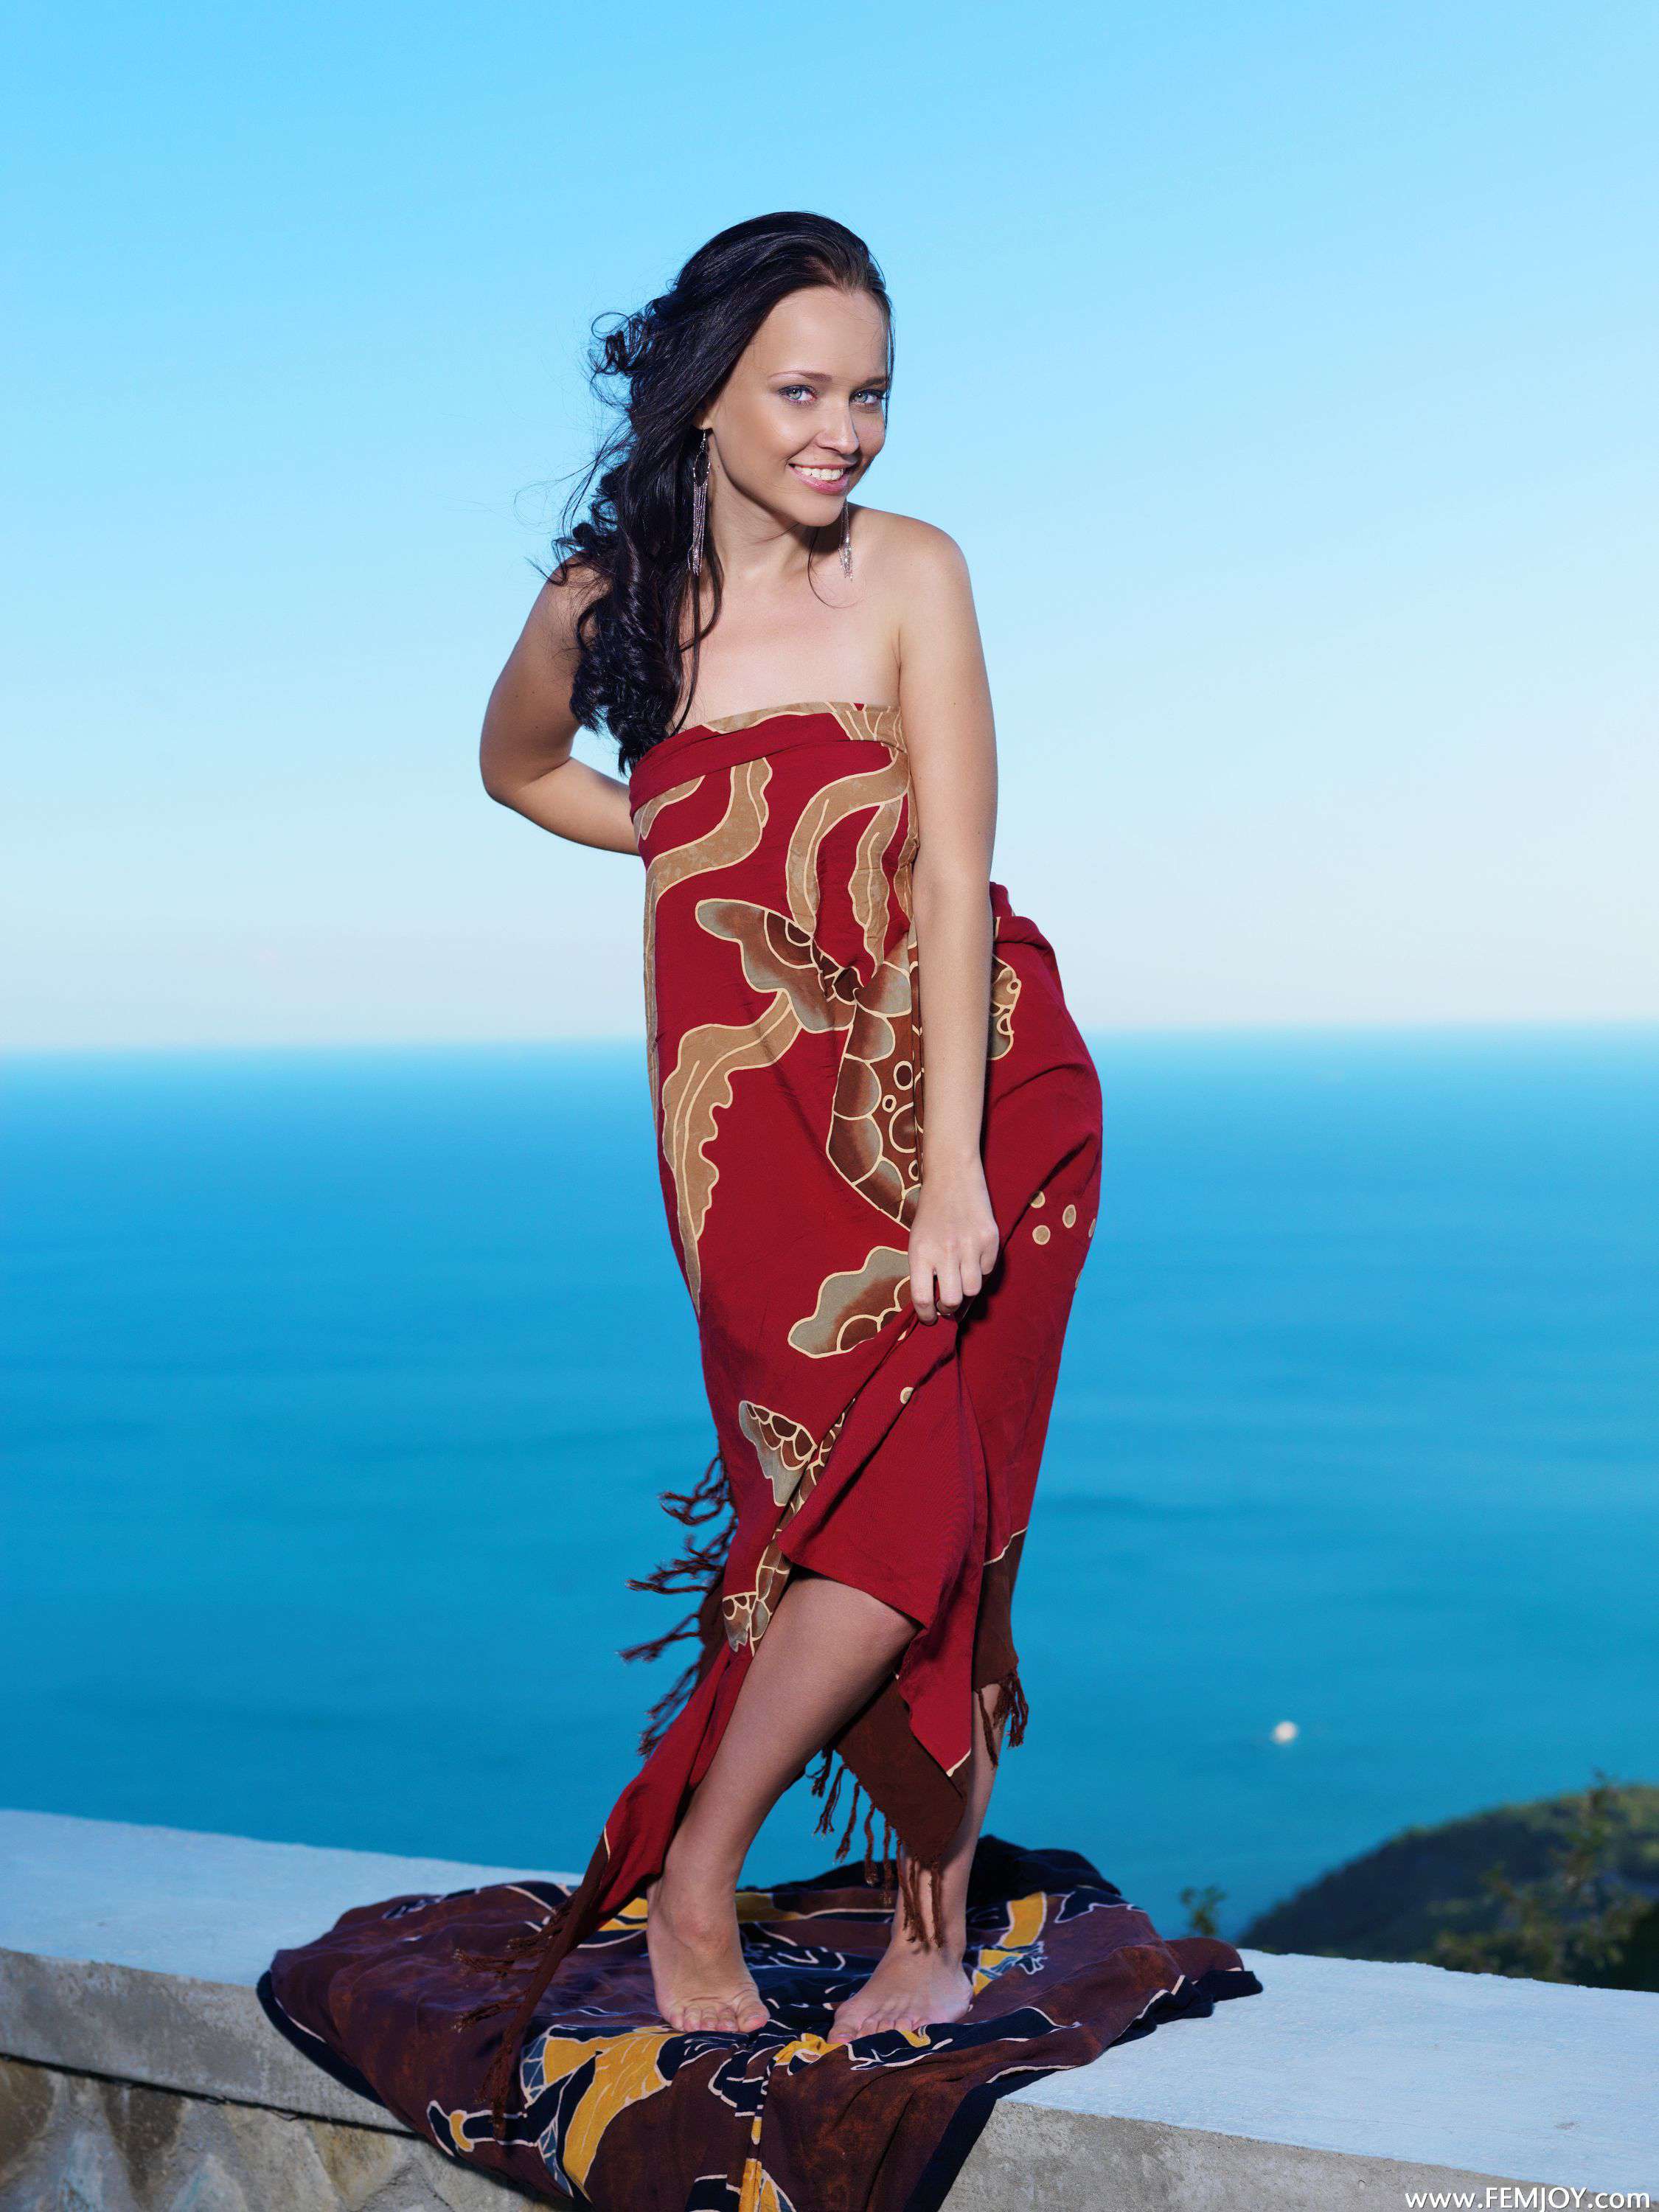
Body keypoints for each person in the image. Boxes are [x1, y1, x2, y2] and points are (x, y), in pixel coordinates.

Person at [471, 209, 1105, 2126]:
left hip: (973, 1088)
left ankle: (746, 1890)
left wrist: (947, 1178)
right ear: (702, 397)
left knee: (933, 1515)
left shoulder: (909, 569)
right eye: (803, 392)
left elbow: (947, 871)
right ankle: (875, 1907)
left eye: (871, 395)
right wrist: (687, 829)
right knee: (839, 1515)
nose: (845, 432)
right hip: (746, 1119)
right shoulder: (612, 605)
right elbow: (517, 768)